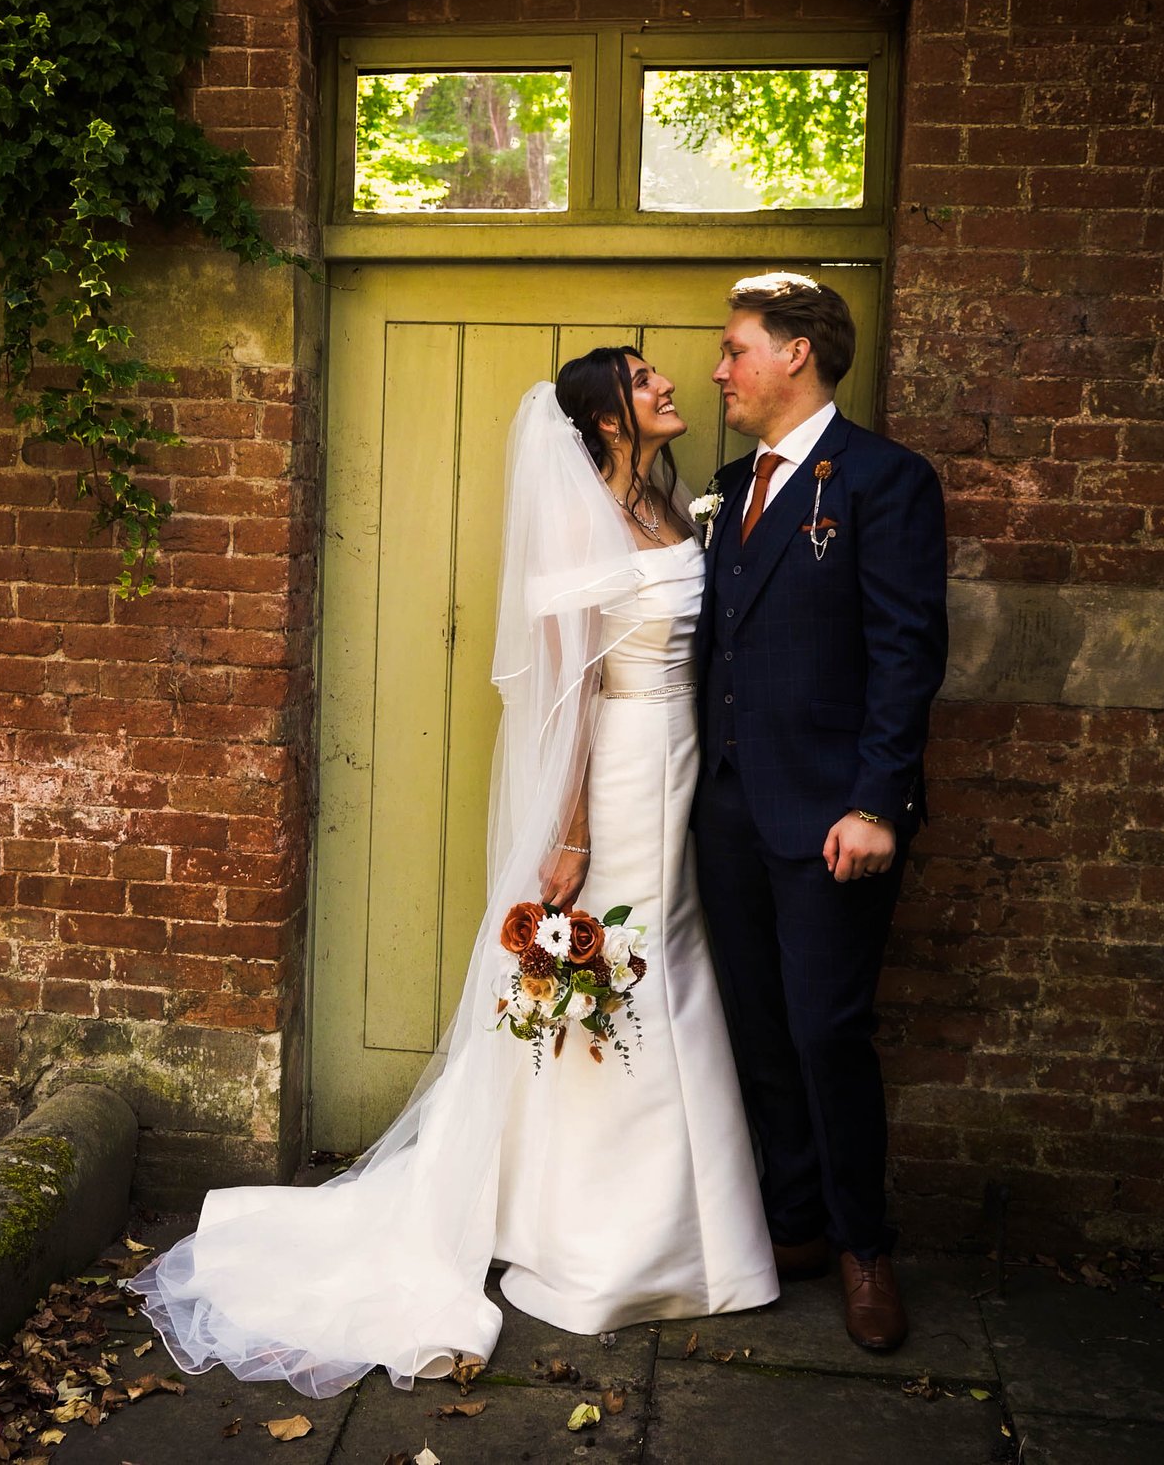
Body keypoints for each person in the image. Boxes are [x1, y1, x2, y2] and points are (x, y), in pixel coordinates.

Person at [129, 347, 777, 1398]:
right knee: (616, 971)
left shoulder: (670, 505)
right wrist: (565, 831)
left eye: (666, 373)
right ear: (607, 422)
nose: (669, 387)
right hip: (613, 780)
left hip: (681, 773)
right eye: (644, 380)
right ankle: (604, 1241)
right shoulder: (582, 526)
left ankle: (684, 1225)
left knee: (672, 970)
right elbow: (569, 696)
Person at [691, 272, 949, 1354]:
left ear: (796, 353)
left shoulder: (885, 480)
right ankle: (791, 1220)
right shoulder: (724, 485)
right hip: (731, 812)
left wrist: (876, 799)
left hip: (834, 818)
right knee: (755, 1025)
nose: (719, 369)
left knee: (825, 1030)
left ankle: (862, 1245)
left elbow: (906, 647)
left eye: (735, 348)